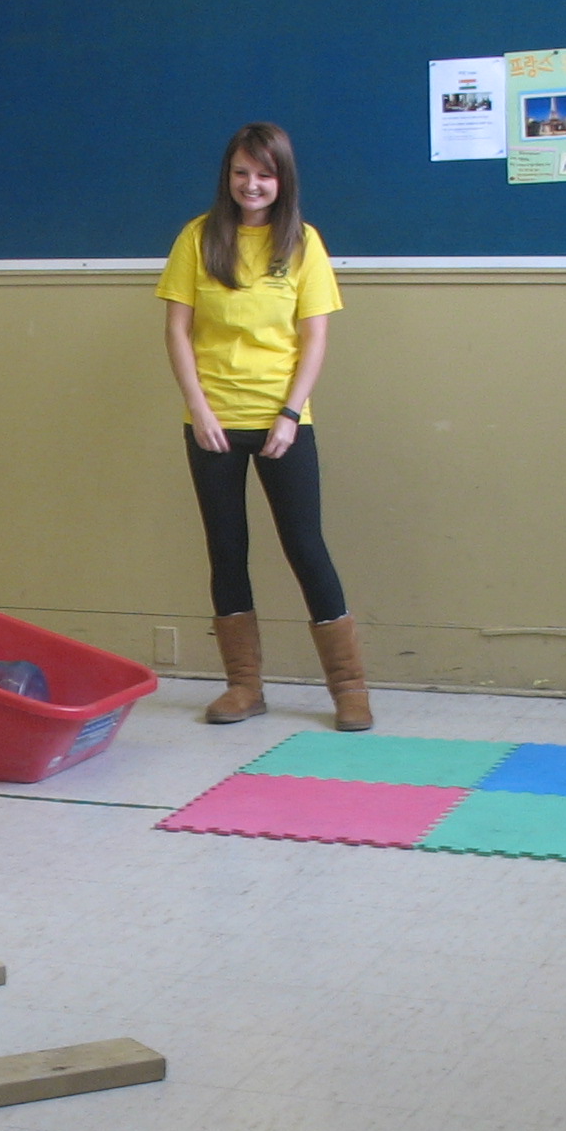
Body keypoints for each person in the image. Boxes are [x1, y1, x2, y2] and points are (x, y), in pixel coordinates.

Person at [156, 121, 373, 732]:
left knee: (306, 548)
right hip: (212, 423)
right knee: (227, 552)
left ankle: (349, 688)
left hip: (283, 422)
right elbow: (177, 330)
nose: (252, 184)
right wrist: (199, 409)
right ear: (228, 177)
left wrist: (289, 413)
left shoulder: (303, 243)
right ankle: (243, 686)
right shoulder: (198, 238)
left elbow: (314, 338)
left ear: (283, 180)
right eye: (241, 172)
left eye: (265, 174)